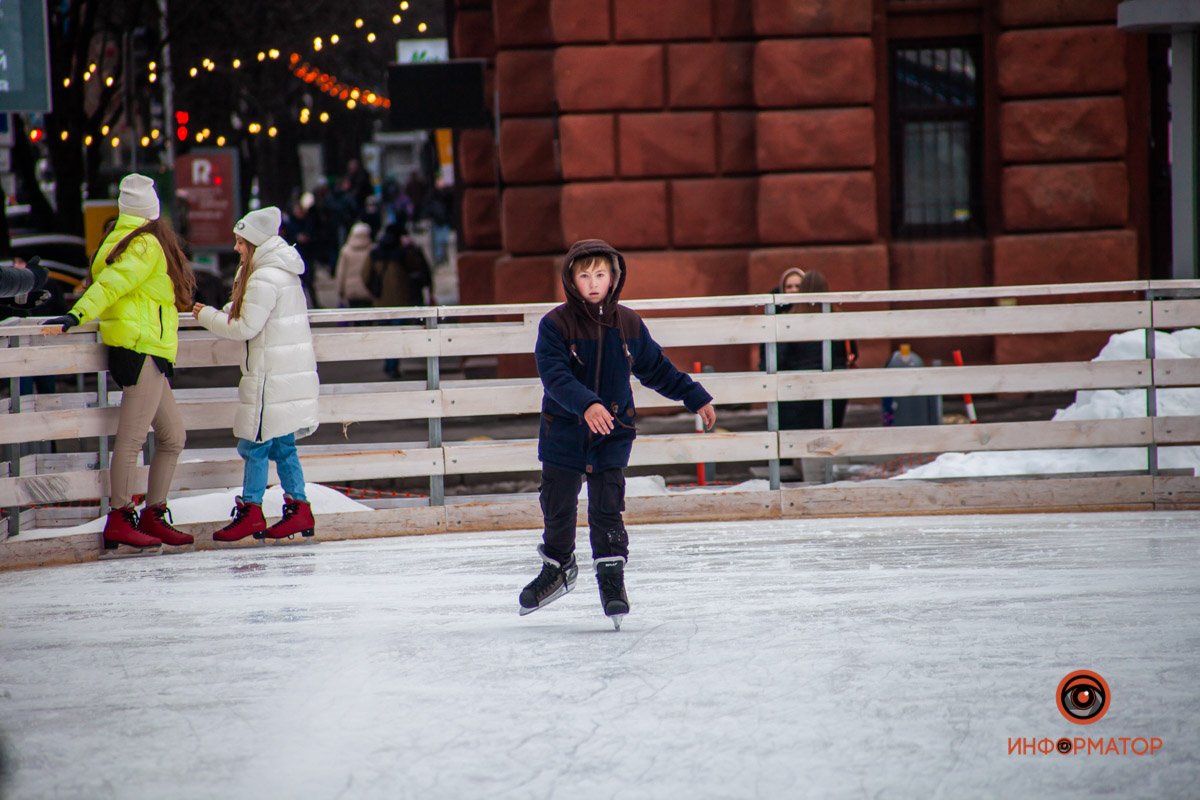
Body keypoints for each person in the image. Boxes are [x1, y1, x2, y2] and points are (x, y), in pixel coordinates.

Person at [518, 239, 718, 626]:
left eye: (600, 274)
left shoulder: (627, 324)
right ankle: (558, 567)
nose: (593, 283)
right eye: (584, 275)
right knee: (558, 506)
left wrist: (695, 397)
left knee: (607, 508)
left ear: (613, 278)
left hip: (613, 432)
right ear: (572, 280)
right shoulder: (555, 325)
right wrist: (586, 403)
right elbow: (554, 375)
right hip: (564, 433)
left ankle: (612, 579)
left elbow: (657, 369)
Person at [41, 174, 196, 551]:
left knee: (174, 435)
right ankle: (121, 516)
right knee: (131, 441)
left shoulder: (120, 239)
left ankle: (154, 514)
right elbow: (111, 285)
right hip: (139, 347)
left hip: (148, 349)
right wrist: (77, 315)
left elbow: (112, 284)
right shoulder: (144, 245)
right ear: (151, 210)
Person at [192, 207, 320, 542]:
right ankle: (299, 509)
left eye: (240, 242)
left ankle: (252, 511)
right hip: (281, 373)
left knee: (255, 443)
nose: (236, 248)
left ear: (256, 243)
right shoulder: (279, 271)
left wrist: (205, 315)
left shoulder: (264, 277)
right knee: (283, 444)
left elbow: (245, 326)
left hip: (270, 377)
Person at [776, 269, 858, 431]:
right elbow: (853, 352)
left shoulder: (790, 320)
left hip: (802, 386)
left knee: (804, 437)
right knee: (831, 434)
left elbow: (781, 359)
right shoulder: (839, 318)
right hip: (836, 385)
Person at [365, 222, 432, 378]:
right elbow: (417, 268)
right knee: (396, 334)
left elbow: (365, 276)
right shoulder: (404, 253)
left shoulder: (375, 253)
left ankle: (389, 363)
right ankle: (392, 365)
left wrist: (375, 292)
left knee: (385, 334)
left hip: (380, 302)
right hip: (400, 302)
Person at [333, 222, 375, 309]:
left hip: (350, 289)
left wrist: (340, 290)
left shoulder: (346, 250)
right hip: (368, 288)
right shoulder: (372, 250)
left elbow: (341, 272)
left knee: (354, 314)